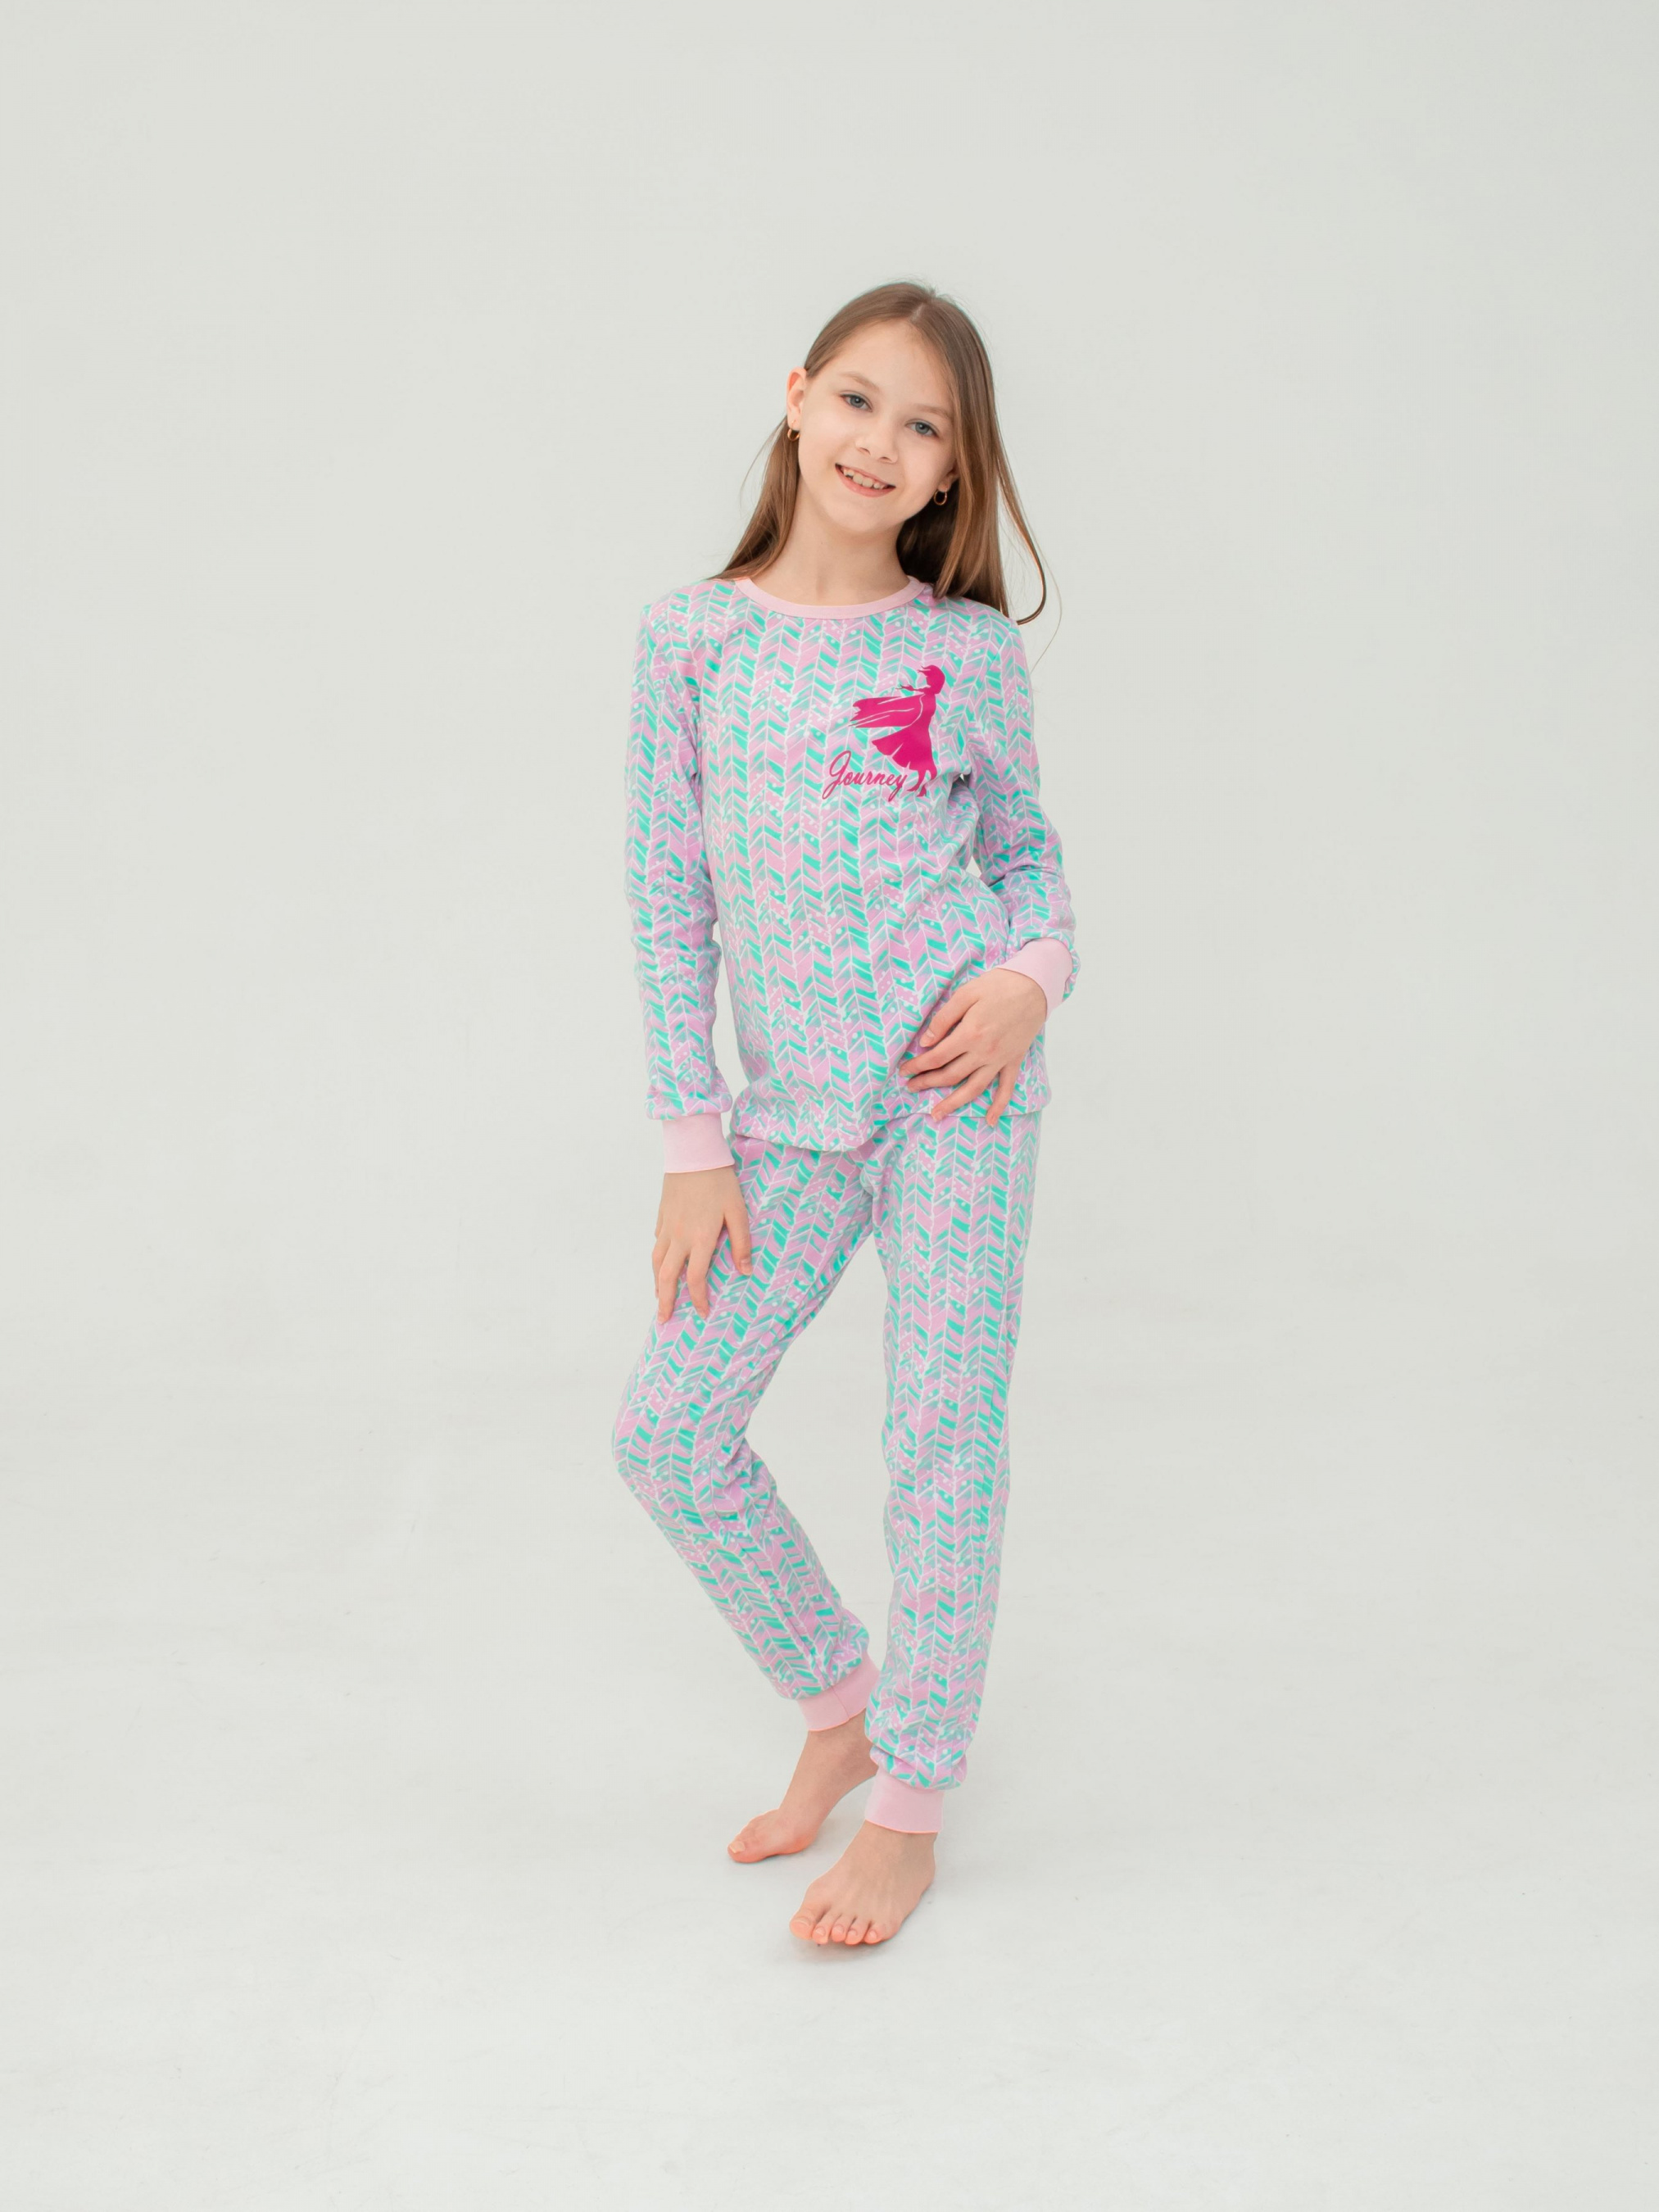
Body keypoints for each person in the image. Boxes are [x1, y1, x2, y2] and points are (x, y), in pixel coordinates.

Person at [612, 281, 1078, 1948]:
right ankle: (838, 1702)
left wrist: (1030, 978)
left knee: (941, 1442)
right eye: (863, 401)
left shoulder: (963, 652)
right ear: (800, 397)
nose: (882, 443)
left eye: (925, 426)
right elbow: (666, 902)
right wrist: (692, 1148)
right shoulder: (693, 641)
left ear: (953, 471)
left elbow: (1025, 857)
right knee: (668, 1434)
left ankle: (911, 1803)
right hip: (790, 1123)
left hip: (962, 1097)